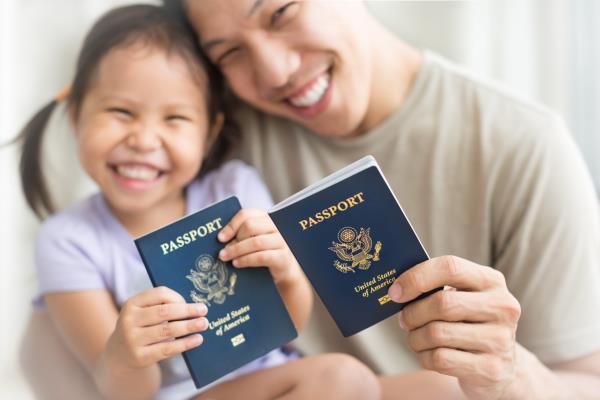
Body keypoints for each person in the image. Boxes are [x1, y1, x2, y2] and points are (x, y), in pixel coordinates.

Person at [174, 0, 600, 398]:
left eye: (282, 12)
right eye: (228, 53)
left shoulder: (523, 144)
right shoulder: (209, 135)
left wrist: (509, 372)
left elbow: (588, 381)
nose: (274, 73)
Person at [16, 4, 381, 400]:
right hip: (180, 394)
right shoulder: (68, 240)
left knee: (436, 386)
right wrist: (124, 355)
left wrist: (288, 275)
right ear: (75, 118)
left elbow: (283, 329)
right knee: (344, 379)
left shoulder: (233, 189)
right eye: (121, 112)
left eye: (175, 119)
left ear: (209, 134)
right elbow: (124, 392)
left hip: (276, 376)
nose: (143, 139)